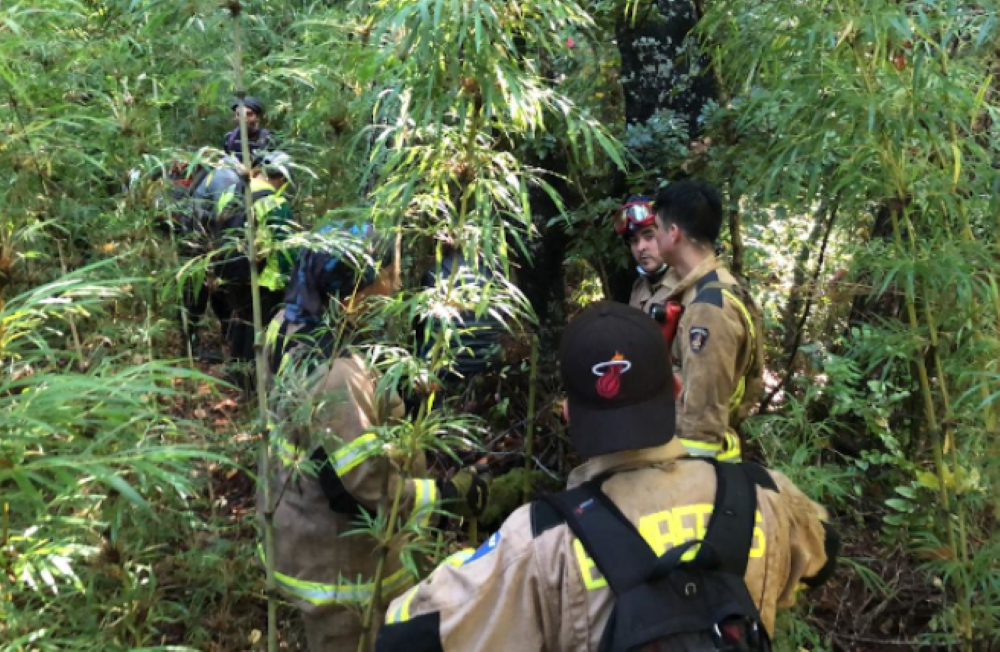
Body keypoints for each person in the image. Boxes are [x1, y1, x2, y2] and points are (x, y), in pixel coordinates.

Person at [376, 302, 837, 651]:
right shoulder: (765, 494)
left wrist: (467, 564)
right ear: (676, 390)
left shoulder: (541, 541)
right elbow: (823, 557)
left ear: (568, 413)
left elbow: (405, 636)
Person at [260, 228, 491, 652]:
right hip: (343, 574)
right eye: (388, 274)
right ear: (352, 292)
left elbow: (321, 435)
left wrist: (394, 395)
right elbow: (363, 484)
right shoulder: (334, 373)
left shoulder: (289, 324)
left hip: (301, 538)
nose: (396, 285)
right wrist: (448, 496)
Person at [655, 178, 763, 462]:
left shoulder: (708, 307)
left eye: (656, 229)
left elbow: (702, 418)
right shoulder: (711, 287)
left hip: (703, 468)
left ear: (673, 233)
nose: (654, 239)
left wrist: (690, 473)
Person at [212, 151, 299, 365]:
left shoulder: (232, 193)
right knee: (259, 330)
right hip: (264, 280)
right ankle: (254, 376)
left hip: (230, 273)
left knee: (242, 321)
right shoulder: (274, 203)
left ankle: (237, 372)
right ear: (282, 178)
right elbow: (284, 251)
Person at [613, 194, 677, 315]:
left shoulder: (685, 284)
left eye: (649, 236)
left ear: (668, 233)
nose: (640, 247)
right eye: (634, 240)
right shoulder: (639, 288)